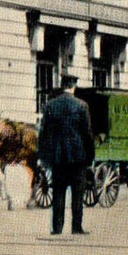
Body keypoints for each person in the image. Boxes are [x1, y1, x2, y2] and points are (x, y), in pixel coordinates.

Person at [37, 74, 94, 235]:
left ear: (62, 86)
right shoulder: (82, 105)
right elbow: (87, 133)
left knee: (58, 193)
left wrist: (43, 156)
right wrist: (90, 156)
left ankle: (57, 228)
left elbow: (44, 133)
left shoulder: (50, 105)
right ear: (73, 86)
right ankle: (76, 227)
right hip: (77, 157)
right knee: (77, 193)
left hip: (58, 157)